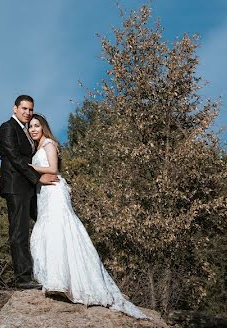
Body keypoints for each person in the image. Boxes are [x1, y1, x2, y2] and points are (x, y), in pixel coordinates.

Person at [27, 114, 150, 320]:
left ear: (44, 127)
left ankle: (61, 281)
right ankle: (54, 279)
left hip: (55, 193)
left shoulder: (49, 144)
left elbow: (54, 169)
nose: (33, 129)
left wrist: (31, 168)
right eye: (30, 127)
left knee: (60, 230)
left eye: (36, 125)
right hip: (44, 194)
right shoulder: (36, 148)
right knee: (47, 231)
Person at [0, 95, 57, 289]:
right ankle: (23, 279)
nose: (27, 113)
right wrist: (38, 179)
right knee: (19, 232)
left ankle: (51, 271)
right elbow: (14, 158)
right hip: (16, 188)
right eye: (24, 108)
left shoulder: (26, 131)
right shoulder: (7, 128)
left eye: (30, 109)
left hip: (30, 189)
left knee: (46, 226)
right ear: (15, 108)